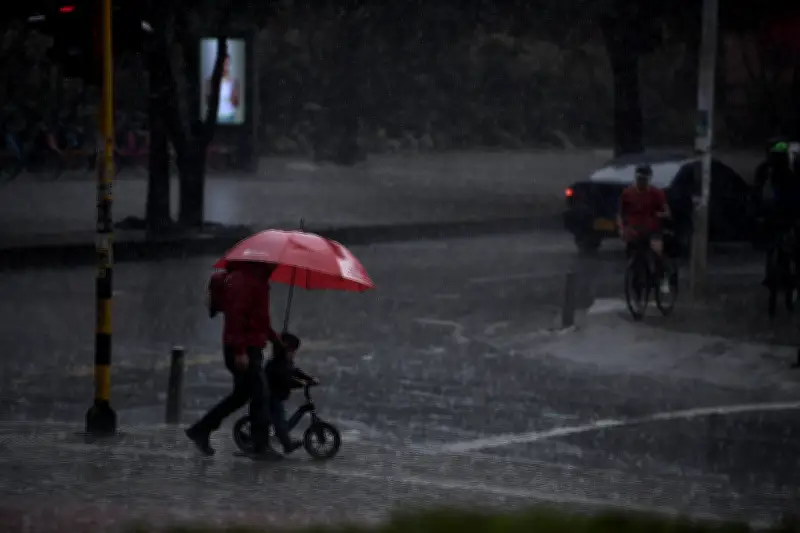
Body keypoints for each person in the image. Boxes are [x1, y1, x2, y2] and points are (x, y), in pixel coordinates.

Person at [185, 261, 282, 458]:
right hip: (243, 349)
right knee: (260, 395)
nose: (278, 265)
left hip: (249, 347)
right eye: (276, 262)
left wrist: (276, 341)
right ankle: (261, 446)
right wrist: (239, 351)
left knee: (243, 395)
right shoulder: (244, 281)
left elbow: (259, 320)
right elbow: (235, 317)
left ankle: (201, 429)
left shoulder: (258, 281)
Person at [616, 163, 672, 293]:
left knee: (657, 250)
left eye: (645, 179)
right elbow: (620, 213)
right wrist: (621, 228)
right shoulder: (627, 194)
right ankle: (637, 280)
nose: (642, 182)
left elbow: (667, 212)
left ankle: (663, 277)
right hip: (634, 229)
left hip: (652, 229)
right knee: (633, 254)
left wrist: (658, 214)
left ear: (649, 179)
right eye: (640, 178)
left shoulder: (656, 193)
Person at [752, 139, 800, 287]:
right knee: (791, 244)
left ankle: (772, 273)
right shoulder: (790, 171)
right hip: (786, 215)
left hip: (771, 216)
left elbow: (756, 192)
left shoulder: (764, 169)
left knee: (771, 246)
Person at [264, 332, 319, 455]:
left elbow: (295, 371)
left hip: (278, 395)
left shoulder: (285, 363)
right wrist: (302, 383)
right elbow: (286, 379)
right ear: (284, 350)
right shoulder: (276, 365)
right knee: (280, 424)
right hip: (271, 397)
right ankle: (287, 446)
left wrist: (308, 378)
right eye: (292, 351)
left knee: (282, 422)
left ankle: (284, 438)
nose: (294, 354)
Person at [206, 54, 240, 124]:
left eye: (227, 64)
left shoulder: (234, 81)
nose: (225, 66)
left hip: (229, 117)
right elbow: (208, 102)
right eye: (223, 63)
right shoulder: (210, 81)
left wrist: (234, 96)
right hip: (215, 118)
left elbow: (236, 104)